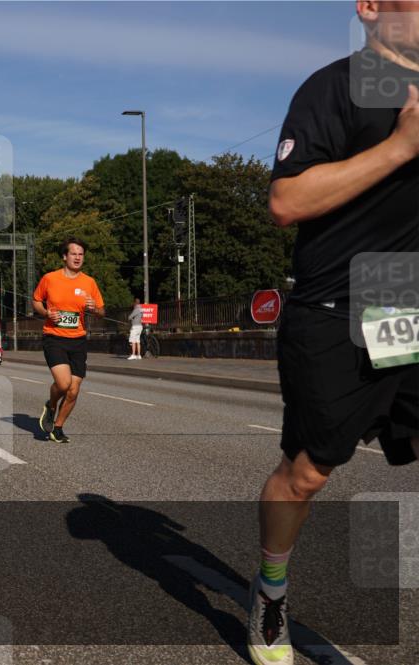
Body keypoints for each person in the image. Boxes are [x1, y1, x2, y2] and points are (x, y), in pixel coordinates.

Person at [248, 5, 419, 665]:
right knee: (308, 472)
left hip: (402, 300)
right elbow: (286, 202)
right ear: (370, 7)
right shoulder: (335, 86)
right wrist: (401, 146)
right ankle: (270, 592)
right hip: (334, 306)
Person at [33, 238, 105, 444]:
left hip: (78, 340)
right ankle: (51, 404)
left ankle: (57, 428)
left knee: (74, 390)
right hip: (54, 337)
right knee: (63, 384)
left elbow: (101, 311)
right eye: (73, 254)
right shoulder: (50, 278)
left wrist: (94, 309)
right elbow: (36, 300)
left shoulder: (89, 282)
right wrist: (47, 312)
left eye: (81, 254)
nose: (77, 257)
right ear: (64, 256)